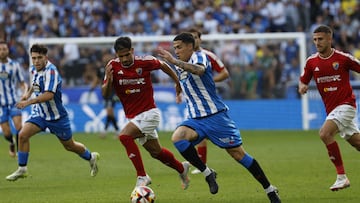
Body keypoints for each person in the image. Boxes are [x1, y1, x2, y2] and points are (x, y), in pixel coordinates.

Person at [158, 32, 281, 203]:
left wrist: (173, 61)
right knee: (178, 138)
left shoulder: (200, 56)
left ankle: (270, 190)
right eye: (175, 48)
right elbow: (184, 79)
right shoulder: (180, 65)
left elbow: (199, 70)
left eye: (179, 47)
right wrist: (178, 87)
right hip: (196, 119)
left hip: (216, 117)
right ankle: (208, 173)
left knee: (238, 155)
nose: (176, 51)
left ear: (189, 46)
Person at [101, 36, 190, 189]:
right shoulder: (112, 67)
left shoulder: (144, 62)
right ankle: (182, 168)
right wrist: (109, 80)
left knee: (124, 136)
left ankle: (142, 176)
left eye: (127, 54)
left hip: (150, 113)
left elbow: (163, 65)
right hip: (134, 116)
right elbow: (105, 94)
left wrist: (177, 82)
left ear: (132, 51)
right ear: (116, 55)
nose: (125, 59)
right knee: (156, 152)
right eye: (121, 56)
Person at [5, 44, 100, 181]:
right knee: (22, 135)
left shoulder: (52, 72)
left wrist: (28, 102)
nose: (36, 61)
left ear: (46, 58)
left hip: (56, 117)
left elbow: (49, 95)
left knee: (69, 146)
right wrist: (27, 94)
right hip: (40, 114)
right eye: (34, 58)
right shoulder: (34, 69)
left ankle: (91, 157)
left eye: (39, 58)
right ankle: (22, 169)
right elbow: (34, 84)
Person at [298, 24, 360, 191]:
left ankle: (342, 177)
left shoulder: (343, 58)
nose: (317, 42)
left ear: (330, 39)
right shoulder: (311, 62)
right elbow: (303, 79)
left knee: (325, 133)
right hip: (332, 110)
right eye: (315, 39)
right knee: (357, 143)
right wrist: (302, 86)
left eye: (320, 39)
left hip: (346, 105)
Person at [187, 28, 230, 174]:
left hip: (209, 100)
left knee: (211, 134)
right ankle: (202, 165)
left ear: (200, 39)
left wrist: (209, 80)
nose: (193, 41)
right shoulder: (185, 57)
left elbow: (225, 73)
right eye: (190, 38)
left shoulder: (207, 56)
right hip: (194, 101)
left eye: (195, 37)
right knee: (198, 132)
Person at [0, 41, 28, 157]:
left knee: (19, 127)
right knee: (6, 133)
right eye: (0, 49)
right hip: (0, 104)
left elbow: (22, 83)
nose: (2, 51)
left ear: (8, 50)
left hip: (13, 101)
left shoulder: (15, 65)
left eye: (4, 49)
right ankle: (11, 142)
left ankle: (20, 152)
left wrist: (24, 93)